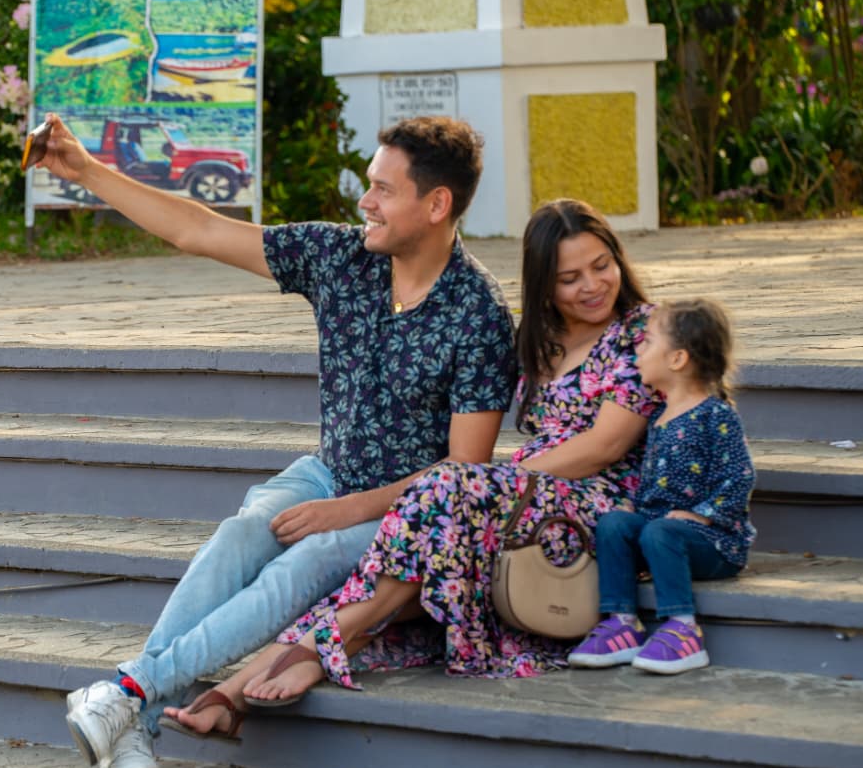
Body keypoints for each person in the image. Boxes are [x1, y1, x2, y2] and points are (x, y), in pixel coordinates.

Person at [36, 113, 517, 768]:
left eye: (383, 190)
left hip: (404, 513)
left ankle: (125, 691)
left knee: (310, 559)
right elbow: (197, 229)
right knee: (242, 532)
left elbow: (461, 472)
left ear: (436, 205)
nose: (365, 202)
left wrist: (346, 511)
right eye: (368, 186)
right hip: (327, 471)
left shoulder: (480, 315)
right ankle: (134, 713)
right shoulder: (341, 256)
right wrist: (86, 171)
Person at [161, 198, 656, 732]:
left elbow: (606, 445)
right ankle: (235, 695)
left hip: (593, 506)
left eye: (602, 266)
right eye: (569, 277)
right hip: (526, 499)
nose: (591, 285)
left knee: (442, 490)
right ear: (544, 286)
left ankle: (289, 662)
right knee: (425, 529)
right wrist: (492, 485)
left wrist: (493, 482)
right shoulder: (544, 340)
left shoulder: (641, 330)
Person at [568, 298, 756, 674]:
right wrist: (631, 510)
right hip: (662, 532)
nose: (638, 348)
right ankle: (622, 623)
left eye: (648, 341)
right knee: (614, 524)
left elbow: (739, 477)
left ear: (677, 359)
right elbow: (655, 484)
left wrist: (702, 516)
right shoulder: (658, 417)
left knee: (660, 531)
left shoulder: (715, 415)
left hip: (714, 542)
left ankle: (683, 630)